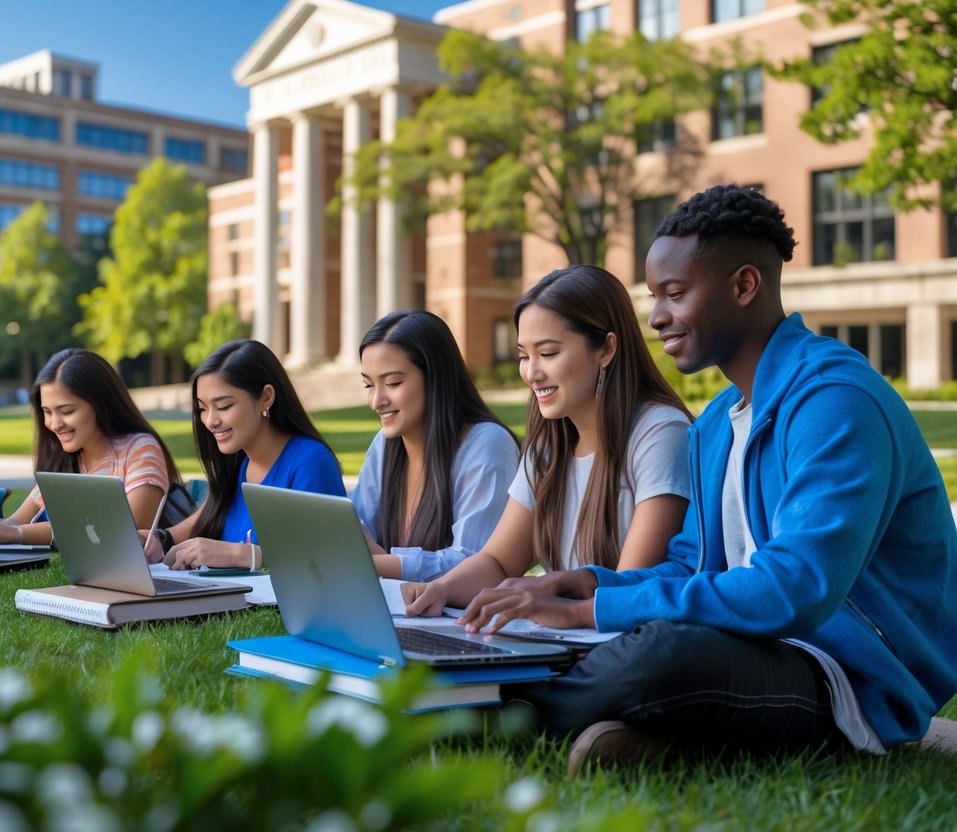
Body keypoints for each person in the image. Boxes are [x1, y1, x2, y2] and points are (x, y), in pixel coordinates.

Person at [451, 185, 957, 771]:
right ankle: (636, 736)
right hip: (754, 649)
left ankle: (480, 713)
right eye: (653, 296)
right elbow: (687, 567)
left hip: (848, 676)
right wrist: (587, 585)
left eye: (675, 293)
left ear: (744, 286)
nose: (656, 316)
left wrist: (590, 614)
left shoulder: (835, 400)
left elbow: (794, 588)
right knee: (640, 641)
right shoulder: (716, 423)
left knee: (663, 654)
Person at [404, 265, 692, 614]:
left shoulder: (659, 433)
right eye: (524, 356)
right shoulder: (548, 447)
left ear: (607, 348)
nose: (532, 373)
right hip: (563, 638)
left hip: (616, 643)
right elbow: (497, 561)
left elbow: (626, 589)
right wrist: (438, 590)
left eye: (549, 353)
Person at [146, 339, 344, 570]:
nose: (210, 421)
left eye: (223, 406)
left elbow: (327, 558)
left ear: (266, 397)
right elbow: (210, 513)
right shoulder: (237, 460)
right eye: (202, 408)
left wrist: (242, 555)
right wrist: (160, 539)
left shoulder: (310, 462)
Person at [352, 310, 520, 581]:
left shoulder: (487, 445)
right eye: (369, 385)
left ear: (435, 378)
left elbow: (475, 563)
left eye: (393, 383)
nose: (376, 401)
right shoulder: (384, 444)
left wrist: (380, 563)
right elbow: (355, 528)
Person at [0, 348, 186, 546]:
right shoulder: (64, 457)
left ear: (100, 405)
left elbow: (125, 532)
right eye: (47, 412)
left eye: (66, 411)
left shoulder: (139, 449)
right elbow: (16, 522)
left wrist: (19, 534)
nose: (55, 424)